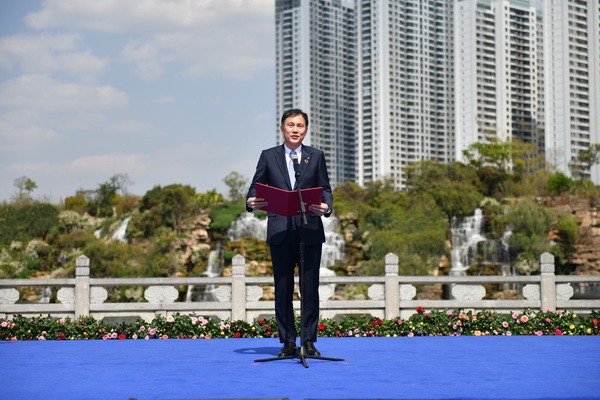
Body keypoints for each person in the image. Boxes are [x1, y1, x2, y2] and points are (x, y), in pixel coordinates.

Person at [246, 108, 332, 357]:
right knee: (283, 288)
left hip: (309, 230)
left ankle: (309, 342)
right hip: (280, 230)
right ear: (282, 128)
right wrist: (251, 200)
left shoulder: (316, 156)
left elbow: (325, 188)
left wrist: (326, 206)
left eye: (300, 125)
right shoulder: (268, 156)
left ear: (306, 130)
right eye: (291, 125)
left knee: (310, 289)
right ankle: (287, 343)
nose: (295, 130)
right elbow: (256, 186)